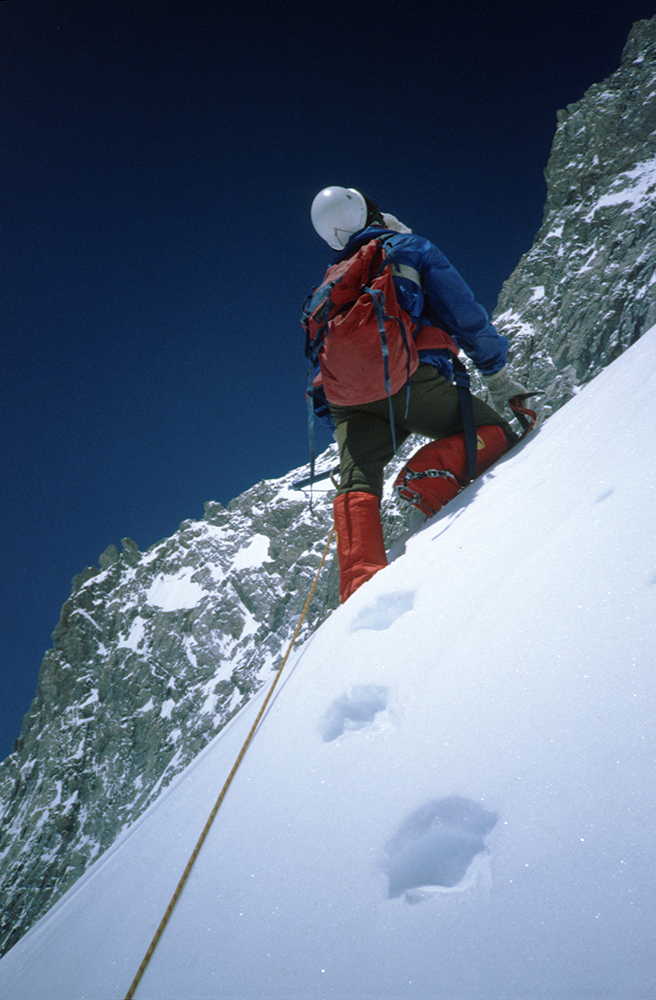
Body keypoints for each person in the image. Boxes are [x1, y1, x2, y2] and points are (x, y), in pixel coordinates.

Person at [306, 186, 525, 603]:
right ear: (368, 211)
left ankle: (359, 585)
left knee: (357, 480)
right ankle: (426, 472)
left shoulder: (330, 284)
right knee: (496, 433)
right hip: (409, 379)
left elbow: (323, 359)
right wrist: (495, 373)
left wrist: (344, 421)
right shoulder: (408, 248)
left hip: (347, 402)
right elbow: (463, 313)